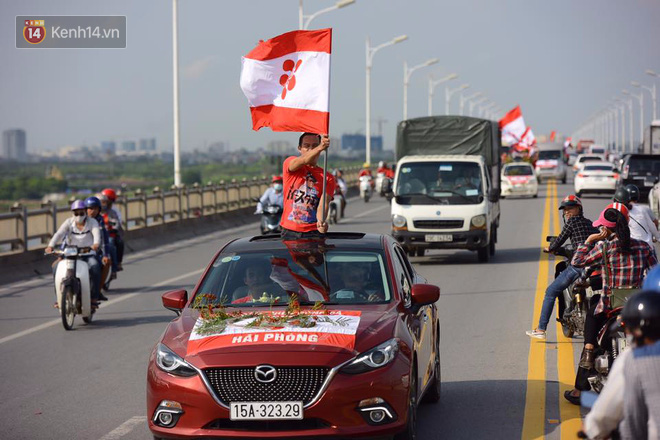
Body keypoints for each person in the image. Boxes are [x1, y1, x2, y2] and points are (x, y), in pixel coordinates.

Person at [564, 203, 657, 404]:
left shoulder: (604, 248)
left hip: (609, 306)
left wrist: (589, 240)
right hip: (636, 307)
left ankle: (586, 362)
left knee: (592, 311)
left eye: (600, 228)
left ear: (605, 230)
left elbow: (577, 262)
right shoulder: (643, 247)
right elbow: (654, 272)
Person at [581, 275, 660, 440]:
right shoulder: (644, 248)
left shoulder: (633, 359)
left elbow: (604, 414)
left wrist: (593, 429)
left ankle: (586, 358)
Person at [526, 195, 598, 339]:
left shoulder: (572, 222)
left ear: (579, 208)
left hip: (579, 265)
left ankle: (540, 329)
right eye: (565, 209)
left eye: (570, 208)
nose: (567, 212)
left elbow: (559, 240)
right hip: (595, 264)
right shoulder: (591, 224)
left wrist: (550, 248)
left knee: (550, 291)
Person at [45, 200, 103, 306]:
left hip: (87, 253)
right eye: (76, 213)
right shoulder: (69, 222)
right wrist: (50, 245)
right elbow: (59, 234)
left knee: (95, 266)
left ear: (85, 212)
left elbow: (96, 234)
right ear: (73, 213)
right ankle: (59, 298)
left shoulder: (92, 222)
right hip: (70, 254)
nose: (79, 215)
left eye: (81, 213)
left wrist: (95, 244)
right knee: (55, 267)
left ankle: (94, 297)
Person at [620, 288, 660, 439]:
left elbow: (632, 419)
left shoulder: (635, 359)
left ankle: (589, 351)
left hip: (611, 302)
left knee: (593, 316)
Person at [280, 133, 336, 239]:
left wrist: (321, 221)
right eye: (306, 146)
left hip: (313, 232)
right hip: (290, 231)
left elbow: (323, 204)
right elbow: (303, 160)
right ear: (299, 148)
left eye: (314, 146)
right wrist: (320, 147)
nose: (310, 149)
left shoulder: (328, 177)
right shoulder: (290, 163)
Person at [85, 196, 111, 301]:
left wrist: (105, 255)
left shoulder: (100, 221)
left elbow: (104, 239)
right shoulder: (76, 220)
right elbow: (66, 236)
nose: (92, 211)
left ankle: (97, 291)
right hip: (76, 252)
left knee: (105, 262)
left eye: (95, 208)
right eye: (90, 208)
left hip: (94, 252)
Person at [623, 184, 660, 251]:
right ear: (637, 196)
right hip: (647, 245)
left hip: (630, 246)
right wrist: (655, 237)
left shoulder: (623, 210)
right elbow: (654, 223)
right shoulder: (645, 209)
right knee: (654, 261)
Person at [101, 188, 125, 271]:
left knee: (114, 243)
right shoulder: (96, 210)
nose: (103, 203)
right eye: (102, 201)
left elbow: (118, 222)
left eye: (105, 200)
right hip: (97, 234)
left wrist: (113, 227)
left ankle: (116, 265)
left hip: (110, 233)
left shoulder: (113, 211)